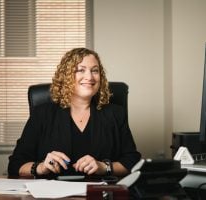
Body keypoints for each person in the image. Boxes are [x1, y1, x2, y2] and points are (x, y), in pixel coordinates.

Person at [8, 48, 141, 179]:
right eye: (80, 70)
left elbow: (132, 161)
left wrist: (103, 167)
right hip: (52, 194)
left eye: (95, 70)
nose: (89, 77)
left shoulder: (115, 114)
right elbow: (16, 164)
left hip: (98, 193)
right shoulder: (42, 114)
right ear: (66, 77)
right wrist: (41, 167)